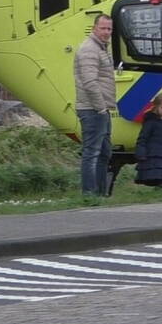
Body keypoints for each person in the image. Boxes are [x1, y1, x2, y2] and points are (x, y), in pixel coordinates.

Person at [74, 13, 116, 197]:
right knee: (92, 153)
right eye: (103, 28)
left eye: (109, 29)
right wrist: (100, 108)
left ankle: (100, 194)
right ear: (94, 28)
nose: (107, 32)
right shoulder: (89, 49)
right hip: (92, 109)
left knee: (104, 153)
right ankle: (89, 195)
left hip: (100, 108)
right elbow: (89, 82)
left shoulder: (100, 48)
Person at [134, 93, 162, 187]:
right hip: (153, 151)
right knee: (154, 170)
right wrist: (141, 152)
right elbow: (143, 138)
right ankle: (154, 183)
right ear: (156, 107)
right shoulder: (150, 121)